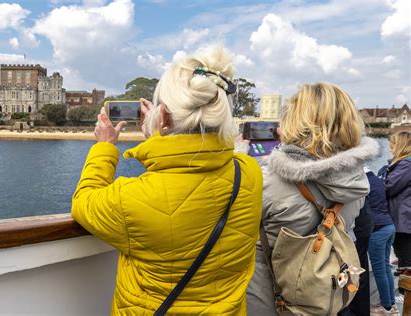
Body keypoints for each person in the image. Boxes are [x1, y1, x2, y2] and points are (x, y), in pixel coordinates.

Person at [71, 46, 263, 315]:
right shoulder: (248, 173)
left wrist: (105, 146)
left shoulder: (130, 200)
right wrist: (161, 135)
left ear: (162, 117)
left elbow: (84, 201)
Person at [236, 82, 379, 315]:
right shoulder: (357, 183)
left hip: (270, 302)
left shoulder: (265, 182)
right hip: (326, 299)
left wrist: (239, 159)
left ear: (295, 123)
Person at [365, 167, 399, 315]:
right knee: (386, 267)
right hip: (389, 226)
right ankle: (391, 303)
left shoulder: (364, 183)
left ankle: (385, 307)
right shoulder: (378, 181)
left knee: (379, 269)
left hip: (377, 228)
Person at [385, 131, 411, 273]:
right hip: (404, 218)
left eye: (392, 146)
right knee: (404, 257)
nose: (390, 149)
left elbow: (389, 187)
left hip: (404, 219)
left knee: (406, 260)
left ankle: (405, 294)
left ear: (400, 146)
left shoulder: (406, 165)